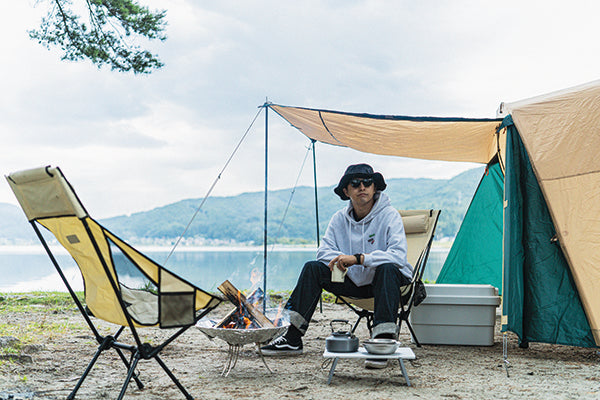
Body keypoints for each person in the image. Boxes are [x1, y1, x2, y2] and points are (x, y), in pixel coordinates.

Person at [261, 163, 412, 368]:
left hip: (387, 284)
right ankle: (292, 338)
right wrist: (342, 258)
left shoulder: (389, 215)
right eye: (355, 183)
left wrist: (359, 259)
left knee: (387, 267)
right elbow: (323, 252)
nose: (362, 187)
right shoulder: (339, 218)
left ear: (375, 187)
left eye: (367, 182)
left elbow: (398, 256)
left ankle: (382, 344)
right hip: (353, 282)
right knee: (313, 268)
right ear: (346, 191)